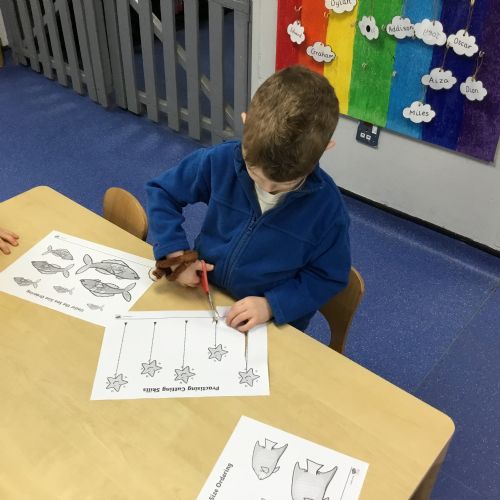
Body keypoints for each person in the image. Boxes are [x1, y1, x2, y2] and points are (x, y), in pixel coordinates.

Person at [146, 65, 351, 333]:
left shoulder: (328, 211)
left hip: (268, 322)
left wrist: (272, 305)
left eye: (283, 184)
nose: (267, 188)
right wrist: (177, 257)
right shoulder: (221, 161)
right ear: (245, 121)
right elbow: (163, 192)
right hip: (206, 292)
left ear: (325, 148)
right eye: (255, 173)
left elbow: (328, 277)